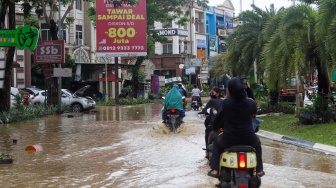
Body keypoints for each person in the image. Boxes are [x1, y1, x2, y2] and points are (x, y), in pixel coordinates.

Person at [207, 77, 265, 178]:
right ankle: (259, 171)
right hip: (249, 139)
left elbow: (218, 121)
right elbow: (254, 112)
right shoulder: (251, 103)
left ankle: (215, 170)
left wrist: (215, 127)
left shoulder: (226, 103)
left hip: (229, 139)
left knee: (216, 144)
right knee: (258, 145)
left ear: (230, 90)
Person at [198, 87, 224, 158]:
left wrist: (202, 111)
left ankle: (207, 150)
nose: (211, 94)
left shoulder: (212, 101)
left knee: (208, 133)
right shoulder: (225, 101)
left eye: (213, 93)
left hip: (216, 124)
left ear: (218, 94)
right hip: (225, 125)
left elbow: (205, 109)